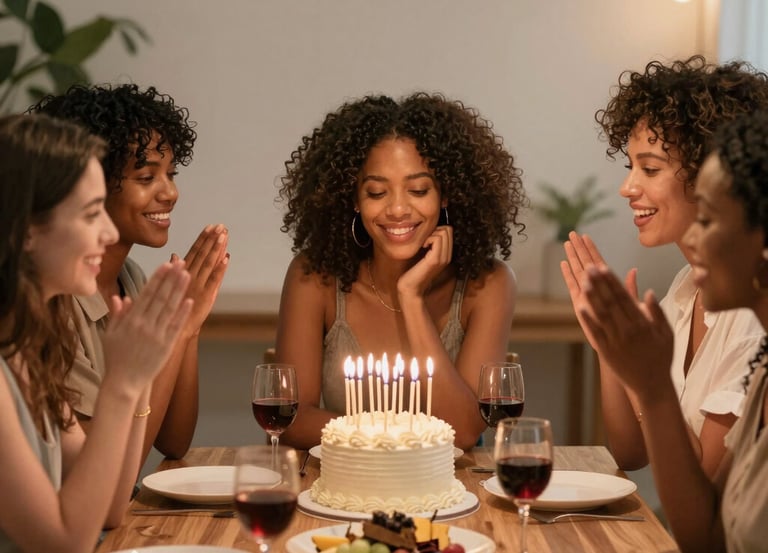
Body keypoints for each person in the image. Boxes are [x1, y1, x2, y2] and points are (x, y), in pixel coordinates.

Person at [275, 92, 526, 450]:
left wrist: (411, 297)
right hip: (346, 485)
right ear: (354, 200)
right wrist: (393, 436)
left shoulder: (489, 284)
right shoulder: (314, 276)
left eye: (418, 189)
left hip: (453, 495)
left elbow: (467, 432)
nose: (397, 209)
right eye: (377, 192)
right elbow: (291, 420)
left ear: (446, 194)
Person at [562, 56, 768, 477]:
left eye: (650, 168)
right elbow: (632, 452)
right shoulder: (687, 286)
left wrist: (644, 376)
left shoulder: (751, 309)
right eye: (630, 166)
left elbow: (707, 494)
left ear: (713, 173)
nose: (627, 187)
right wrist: (610, 345)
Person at [0, 113, 192, 551]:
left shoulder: (30, 349)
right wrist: (121, 386)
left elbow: (109, 507)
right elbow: (67, 542)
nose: (107, 233)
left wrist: (141, 376)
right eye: (91, 214)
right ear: (26, 231)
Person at [577, 111, 768, 552]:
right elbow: (632, 454)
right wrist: (613, 345)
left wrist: (652, 385)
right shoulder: (762, 370)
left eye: (709, 218)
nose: (693, 241)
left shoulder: (750, 335)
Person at [28, 84, 229, 465]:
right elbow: (112, 470)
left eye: (170, 173)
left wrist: (188, 325)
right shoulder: (53, 300)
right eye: (146, 177)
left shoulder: (131, 277)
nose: (170, 192)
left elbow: (173, 440)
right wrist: (179, 329)